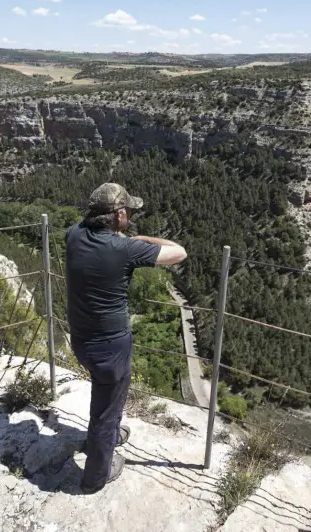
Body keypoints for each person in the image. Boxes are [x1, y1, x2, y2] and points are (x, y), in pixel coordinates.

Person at [64, 182, 187, 494]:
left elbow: (89, 229)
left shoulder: (74, 234)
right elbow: (179, 252)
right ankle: (97, 476)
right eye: (129, 211)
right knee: (107, 406)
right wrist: (142, 239)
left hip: (80, 339)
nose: (131, 215)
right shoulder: (125, 248)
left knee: (107, 396)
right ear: (118, 215)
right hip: (110, 345)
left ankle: (106, 436)